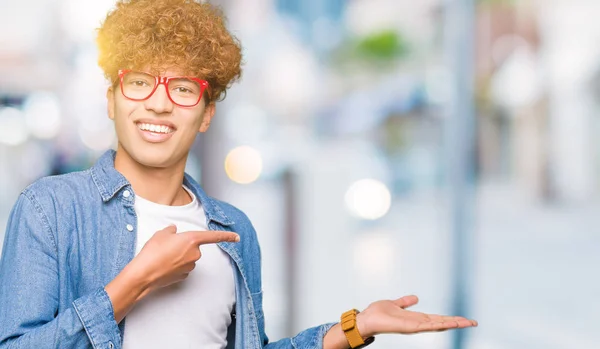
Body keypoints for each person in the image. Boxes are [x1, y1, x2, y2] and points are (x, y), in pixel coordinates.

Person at [0, 0, 477, 348]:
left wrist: (356, 328)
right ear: (112, 99)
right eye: (139, 82)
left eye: (184, 88)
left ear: (206, 114)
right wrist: (134, 282)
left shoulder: (232, 230)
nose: (159, 102)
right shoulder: (50, 208)